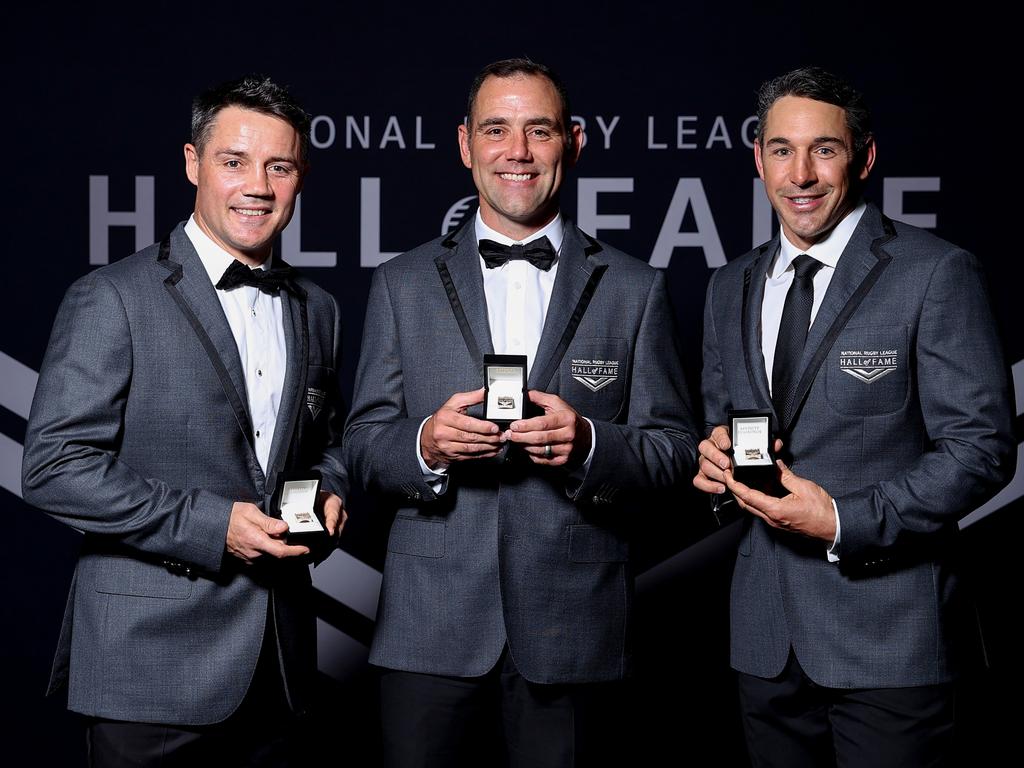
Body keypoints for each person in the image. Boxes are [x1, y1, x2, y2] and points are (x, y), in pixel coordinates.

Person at [344, 58, 698, 767]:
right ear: (465, 144)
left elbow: (677, 449)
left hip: (576, 630)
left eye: (539, 131)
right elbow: (360, 444)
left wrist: (591, 443)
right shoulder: (402, 283)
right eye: (497, 130)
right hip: (428, 630)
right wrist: (426, 446)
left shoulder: (635, 287)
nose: (518, 152)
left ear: (573, 143)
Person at [693, 66, 1016, 767]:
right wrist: (715, 463)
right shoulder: (729, 286)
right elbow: (726, 427)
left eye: (824, 150)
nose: (800, 173)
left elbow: (982, 450)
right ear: (758, 158)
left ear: (863, 157)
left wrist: (842, 519)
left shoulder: (935, 273)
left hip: (892, 641)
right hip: (765, 640)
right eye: (781, 149)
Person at [22, 75, 348, 766]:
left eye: (279, 166)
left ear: (300, 177)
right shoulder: (111, 297)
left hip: (280, 668)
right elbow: (53, 469)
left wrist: (330, 491)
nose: (257, 185)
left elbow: (328, 440)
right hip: (148, 669)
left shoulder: (318, 309)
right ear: (193, 163)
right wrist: (213, 525)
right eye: (234, 161)